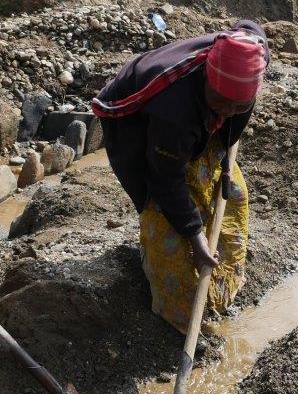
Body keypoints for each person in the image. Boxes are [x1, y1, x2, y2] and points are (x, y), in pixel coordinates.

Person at [93, 23, 268, 331]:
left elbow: (250, 28)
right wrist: (196, 236)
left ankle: (223, 284)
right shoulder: (172, 111)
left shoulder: (252, 58)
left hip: (193, 118)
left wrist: (225, 143)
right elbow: (165, 179)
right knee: (166, 213)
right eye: (222, 100)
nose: (228, 111)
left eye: (238, 104)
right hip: (136, 125)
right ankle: (175, 306)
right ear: (206, 79)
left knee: (233, 195)